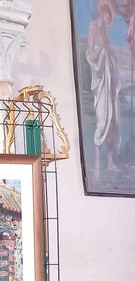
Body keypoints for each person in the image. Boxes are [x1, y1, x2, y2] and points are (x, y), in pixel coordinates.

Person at [87, 0, 121, 175]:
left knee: (111, 121)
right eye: (107, 15)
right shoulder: (93, 27)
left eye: (110, 16)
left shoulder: (105, 33)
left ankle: (110, 161)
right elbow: (90, 55)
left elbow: (110, 56)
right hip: (100, 81)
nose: (109, 19)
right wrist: (100, 50)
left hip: (110, 82)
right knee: (102, 120)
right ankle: (96, 163)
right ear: (102, 13)